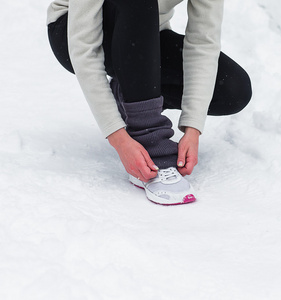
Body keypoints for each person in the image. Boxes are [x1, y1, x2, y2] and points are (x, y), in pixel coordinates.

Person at [47, 0, 252, 205]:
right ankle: (150, 139)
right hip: (74, 31)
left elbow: (203, 42)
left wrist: (193, 128)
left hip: (144, 38)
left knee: (232, 89)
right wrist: (118, 138)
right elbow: (83, 47)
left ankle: (127, 96)